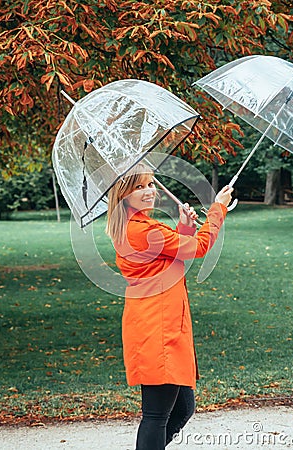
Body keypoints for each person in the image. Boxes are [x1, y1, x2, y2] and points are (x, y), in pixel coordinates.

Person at [106, 163, 233, 450]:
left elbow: (169, 256)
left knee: (182, 409)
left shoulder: (140, 226)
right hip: (157, 329)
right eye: (139, 186)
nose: (149, 191)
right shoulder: (141, 230)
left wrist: (185, 225)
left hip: (165, 325)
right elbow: (197, 248)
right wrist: (218, 209)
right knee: (156, 415)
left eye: (150, 184)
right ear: (123, 194)